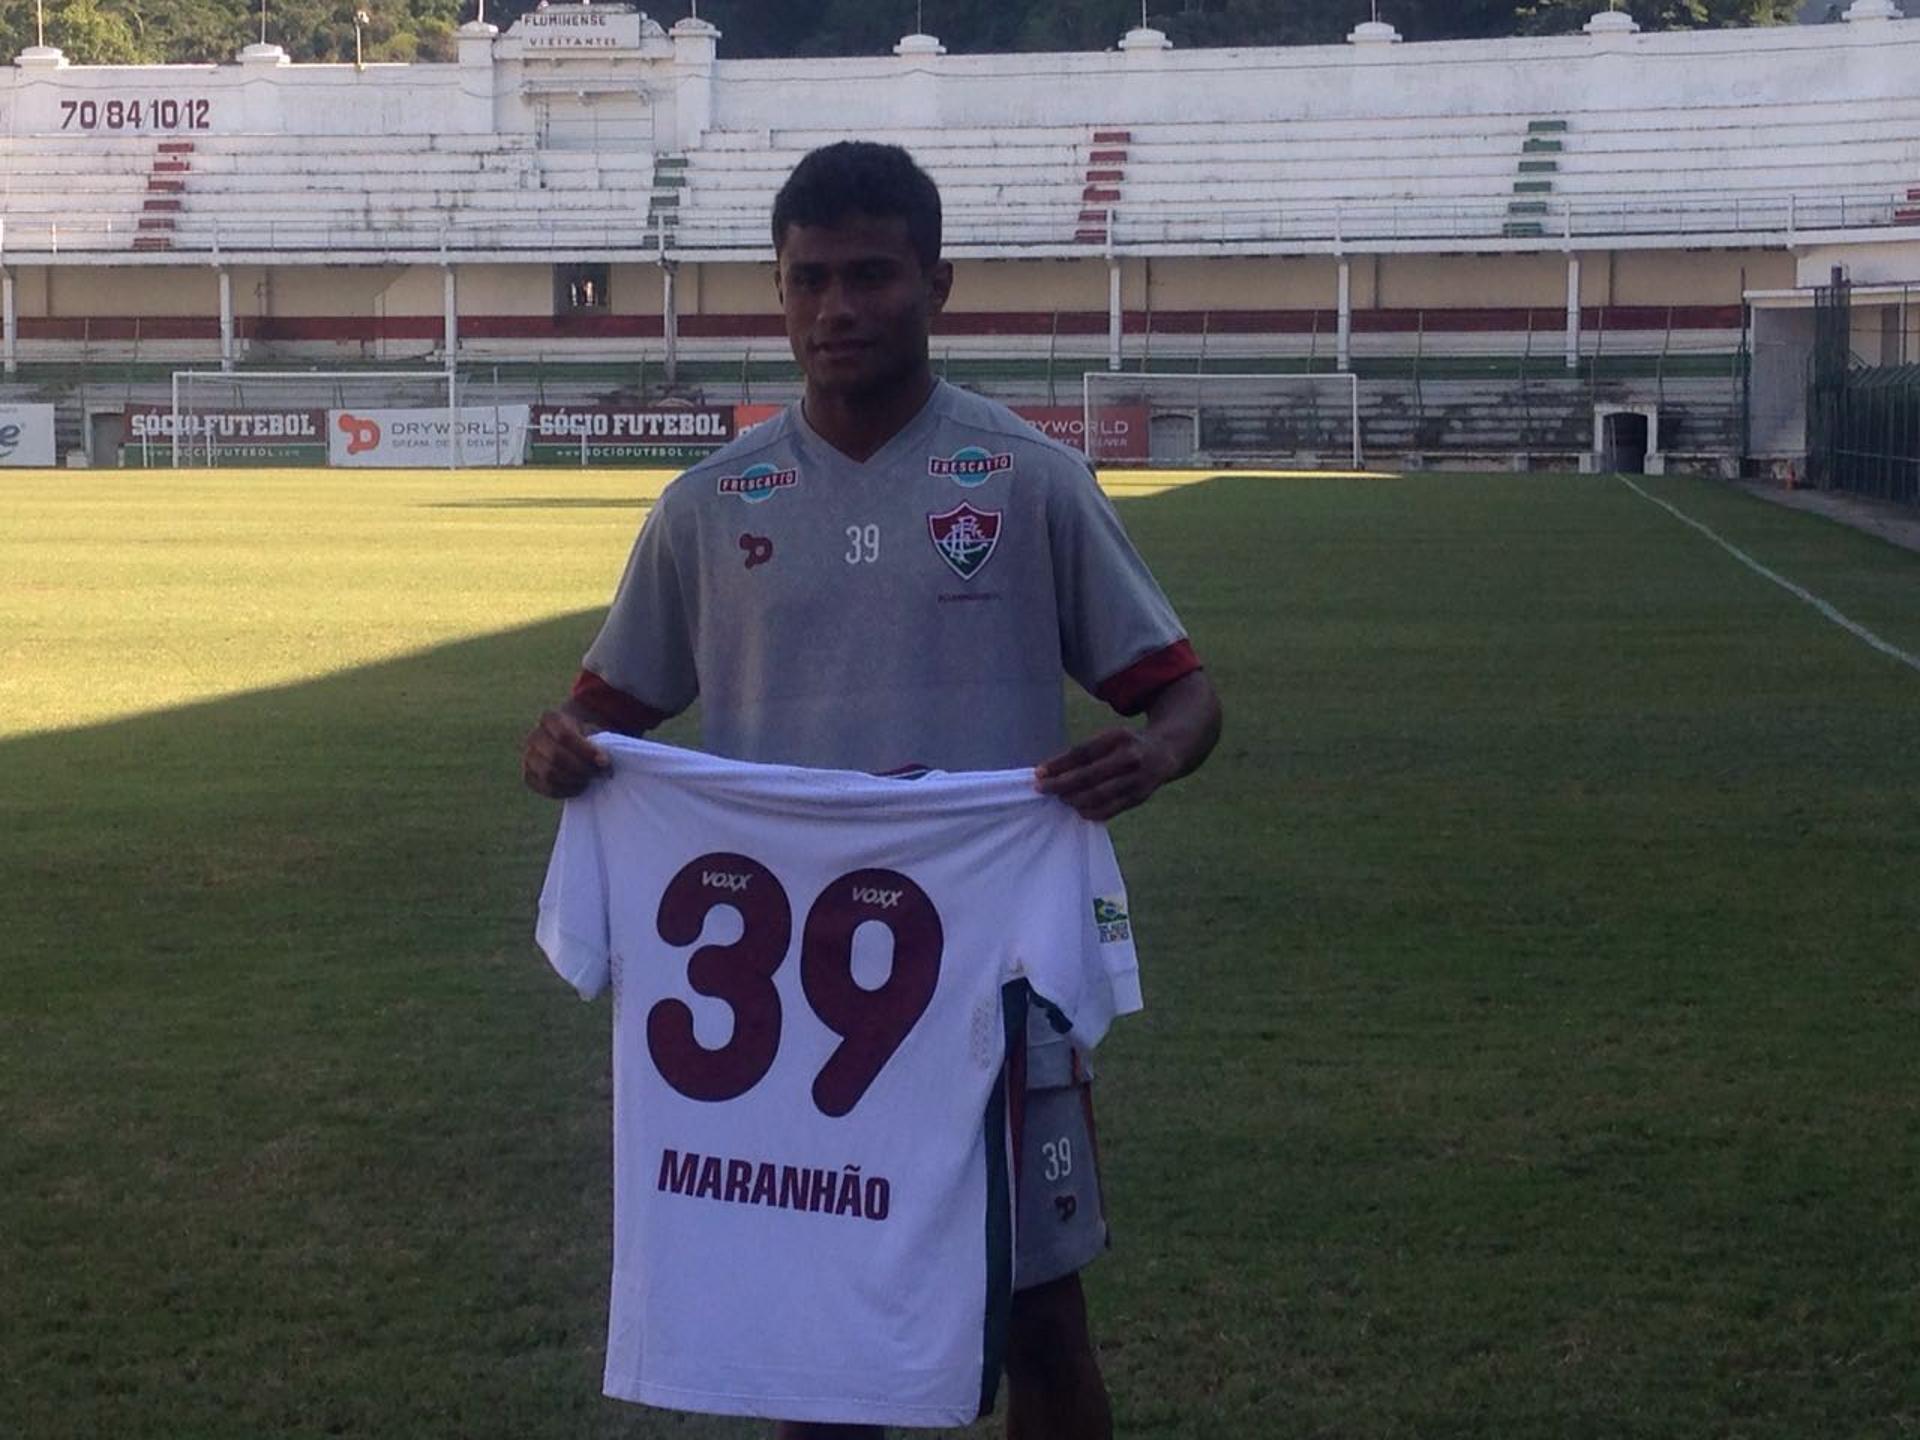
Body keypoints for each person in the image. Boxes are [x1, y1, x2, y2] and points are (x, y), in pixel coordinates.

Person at [521, 141, 1222, 1440]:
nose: (837, 307)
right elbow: (597, 716)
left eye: (871, 276)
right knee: (818, 1333)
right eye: (808, 281)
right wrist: (558, 746)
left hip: (992, 984)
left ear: (937, 284)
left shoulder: (1024, 479)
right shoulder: (706, 508)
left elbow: (1181, 691)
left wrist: (1157, 753)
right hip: (793, 1009)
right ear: (777, 296)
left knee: (1042, 1322)